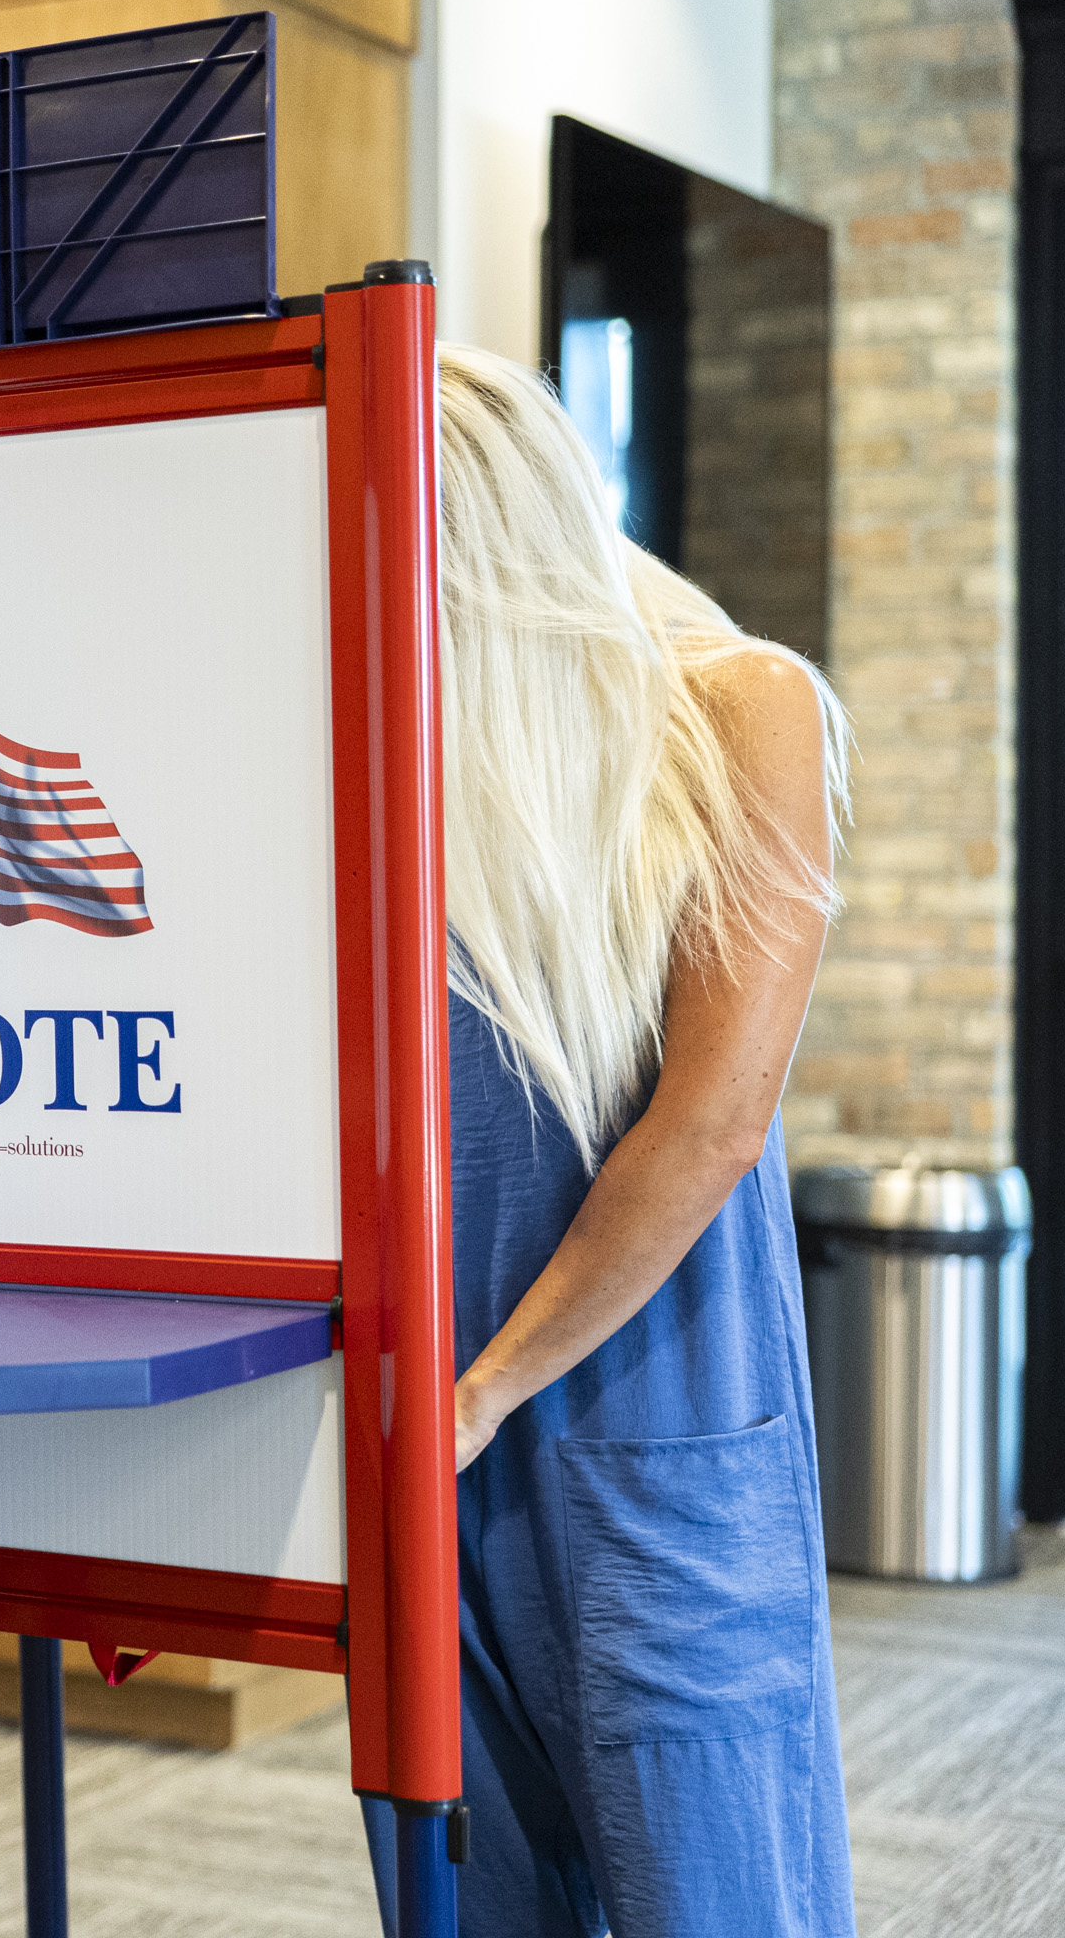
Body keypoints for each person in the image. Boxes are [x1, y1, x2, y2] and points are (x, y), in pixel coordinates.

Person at [354, 345, 858, 1934]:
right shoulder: (390, 770)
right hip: (432, 1429)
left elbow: (711, 1123)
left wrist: (486, 1392)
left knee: (711, 1892)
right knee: (469, 1886)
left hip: (638, 1420)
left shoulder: (740, 714)